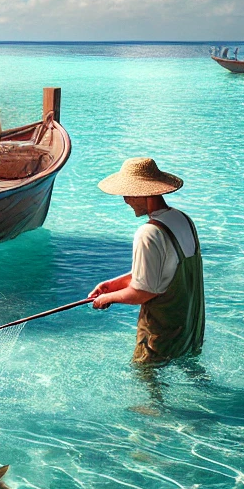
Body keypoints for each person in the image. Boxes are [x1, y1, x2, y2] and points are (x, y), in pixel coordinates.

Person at [88, 157, 205, 366]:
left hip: (161, 335)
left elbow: (143, 292)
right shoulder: (183, 219)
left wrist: (107, 299)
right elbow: (164, 271)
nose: (125, 200)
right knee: (193, 375)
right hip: (190, 327)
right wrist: (112, 285)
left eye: (128, 193)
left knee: (145, 380)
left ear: (142, 193)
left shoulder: (148, 233)